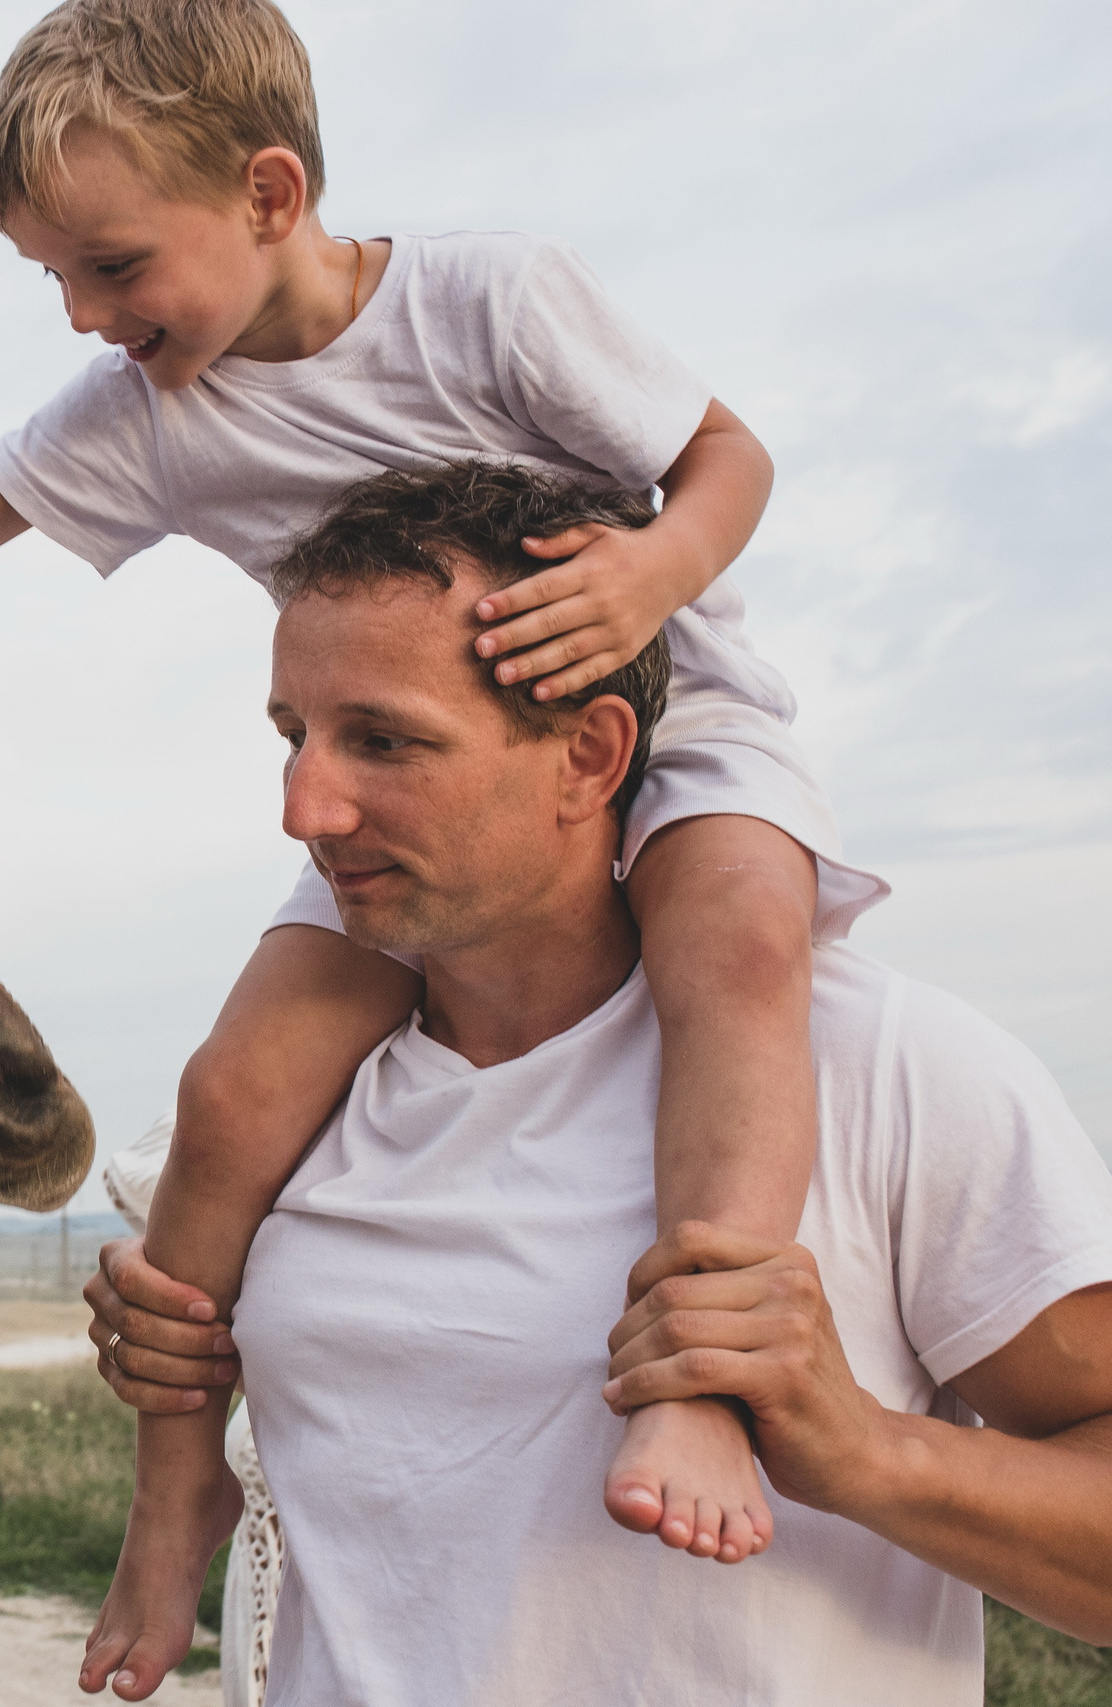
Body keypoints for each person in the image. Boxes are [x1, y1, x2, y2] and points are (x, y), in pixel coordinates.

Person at [0, 0, 883, 1578]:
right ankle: (177, 1484)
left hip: (677, 730)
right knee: (232, 1095)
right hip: (400, 807)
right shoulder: (158, 416)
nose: (79, 314)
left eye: (112, 266)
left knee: (739, 950)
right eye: (49, 276)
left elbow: (726, 452)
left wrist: (655, 569)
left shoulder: (492, 303)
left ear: (270, 194)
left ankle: (710, 1386)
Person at [78, 460, 1112, 1703]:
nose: (306, 808)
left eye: (384, 742)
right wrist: (169, 1349)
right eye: (294, 737)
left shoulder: (884, 1066)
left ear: (588, 754)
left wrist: (866, 1453)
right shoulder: (295, 1098)